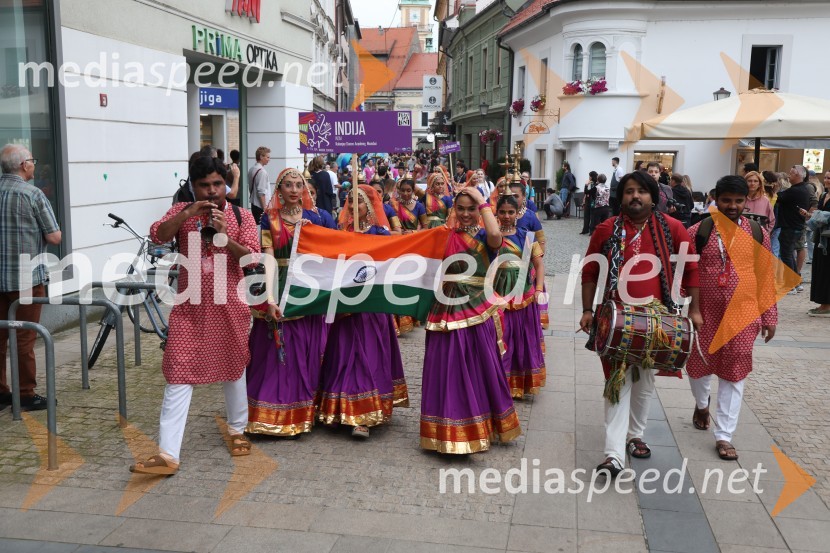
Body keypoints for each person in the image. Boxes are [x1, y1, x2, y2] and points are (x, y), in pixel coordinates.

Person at [131, 156, 260, 475]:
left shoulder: (242, 217)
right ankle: (167, 455)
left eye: (218, 184)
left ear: (226, 184)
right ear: (193, 185)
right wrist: (188, 212)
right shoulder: (181, 213)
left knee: (233, 367)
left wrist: (224, 236)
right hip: (189, 308)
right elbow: (158, 236)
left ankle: (237, 430)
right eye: (205, 185)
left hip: (230, 305)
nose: (213, 191)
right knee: (178, 370)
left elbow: (254, 260)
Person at [579, 171, 701, 476]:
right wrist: (586, 310)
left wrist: (695, 309)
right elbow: (590, 271)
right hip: (614, 318)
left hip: (658, 319)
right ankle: (613, 454)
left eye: (642, 191)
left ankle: (636, 435)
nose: (636, 196)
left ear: (653, 196)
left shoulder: (673, 228)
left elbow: (692, 271)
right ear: (622, 197)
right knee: (617, 381)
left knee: (644, 380)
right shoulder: (607, 229)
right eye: (629, 191)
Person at [421, 186, 521, 453]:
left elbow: (495, 235)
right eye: (461, 208)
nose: (466, 214)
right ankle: (446, 428)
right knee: (446, 369)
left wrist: (482, 200)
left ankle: (481, 424)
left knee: (479, 368)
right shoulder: (444, 236)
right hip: (445, 309)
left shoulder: (487, 237)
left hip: (477, 310)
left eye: (471, 208)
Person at [686, 175, 777, 461]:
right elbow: (684, 274)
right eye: (727, 200)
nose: (733, 206)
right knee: (698, 365)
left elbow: (765, 276)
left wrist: (769, 315)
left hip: (742, 313)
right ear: (716, 199)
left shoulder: (756, 232)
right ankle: (702, 404)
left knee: (735, 370)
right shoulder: (696, 232)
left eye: (738, 201)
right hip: (704, 312)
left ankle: (724, 435)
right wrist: (691, 309)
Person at [317, 185, 408, 439]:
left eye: (358, 202)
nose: (352, 206)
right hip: (345, 307)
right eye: (349, 201)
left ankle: (363, 415)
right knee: (344, 355)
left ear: (368, 207)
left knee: (368, 356)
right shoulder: (338, 234)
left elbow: (391, 265)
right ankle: (338, 409)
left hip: (371, 307)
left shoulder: (380, 233)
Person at [246, 169, 328, 438]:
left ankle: (303, 410)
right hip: (280, 285)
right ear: (278, 190)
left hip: (308, 287)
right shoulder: (269, 220)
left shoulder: (316, 218)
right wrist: (269, 298)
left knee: (305, 347)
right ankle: (271, 413)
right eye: (288, 185)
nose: (294, 190)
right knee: (275, 351)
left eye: (298, 185)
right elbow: (268, 258)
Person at [0, 144, 61, 412]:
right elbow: (54, 236)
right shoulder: (33, 194)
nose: (34, 165)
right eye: (32, 160)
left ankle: (1, 392)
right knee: (25, 338)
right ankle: (25, 394)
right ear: (24, 165)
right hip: (26, 279)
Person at [494, 195, 546, 398]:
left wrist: (539, 289)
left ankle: (519, 382)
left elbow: (539, 264)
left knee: (523, 338)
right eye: (502, 212)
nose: (506, 216)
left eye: (510, 212)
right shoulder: (491, 236)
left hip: (524, 294)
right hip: (498, 293)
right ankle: (500, 382)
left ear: (517, 214)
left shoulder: (527, 237)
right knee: (502, 337)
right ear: (496, 213)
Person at [775, 165, 817, 290]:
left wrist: (776, 188)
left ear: (798, 176)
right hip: (795, 226)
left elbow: (779, 197)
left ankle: (791, 284)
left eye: (791, 173)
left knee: (786, 254)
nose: (789, 175)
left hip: (790, 226)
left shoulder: (796, 190)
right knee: (789, 254)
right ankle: (795, 281)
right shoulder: (802, 188)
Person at [808, 171, 830, 316]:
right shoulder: (823, 195)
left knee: (827, 270)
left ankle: (826, 305)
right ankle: (823, 303)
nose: (827, 180)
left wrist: (821, 216)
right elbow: (819, 214)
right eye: (826, 177)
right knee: (820, 269)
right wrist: (812, 215)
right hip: (821, 238)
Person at [248, 146, 271, 223]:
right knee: (263, 229)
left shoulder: (252, 169)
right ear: (261, 157)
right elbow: (261, 192)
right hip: (260, 206)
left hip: (254, 204)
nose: (269, 159)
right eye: (267, 157)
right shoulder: (262, 172)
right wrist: (265, 207)